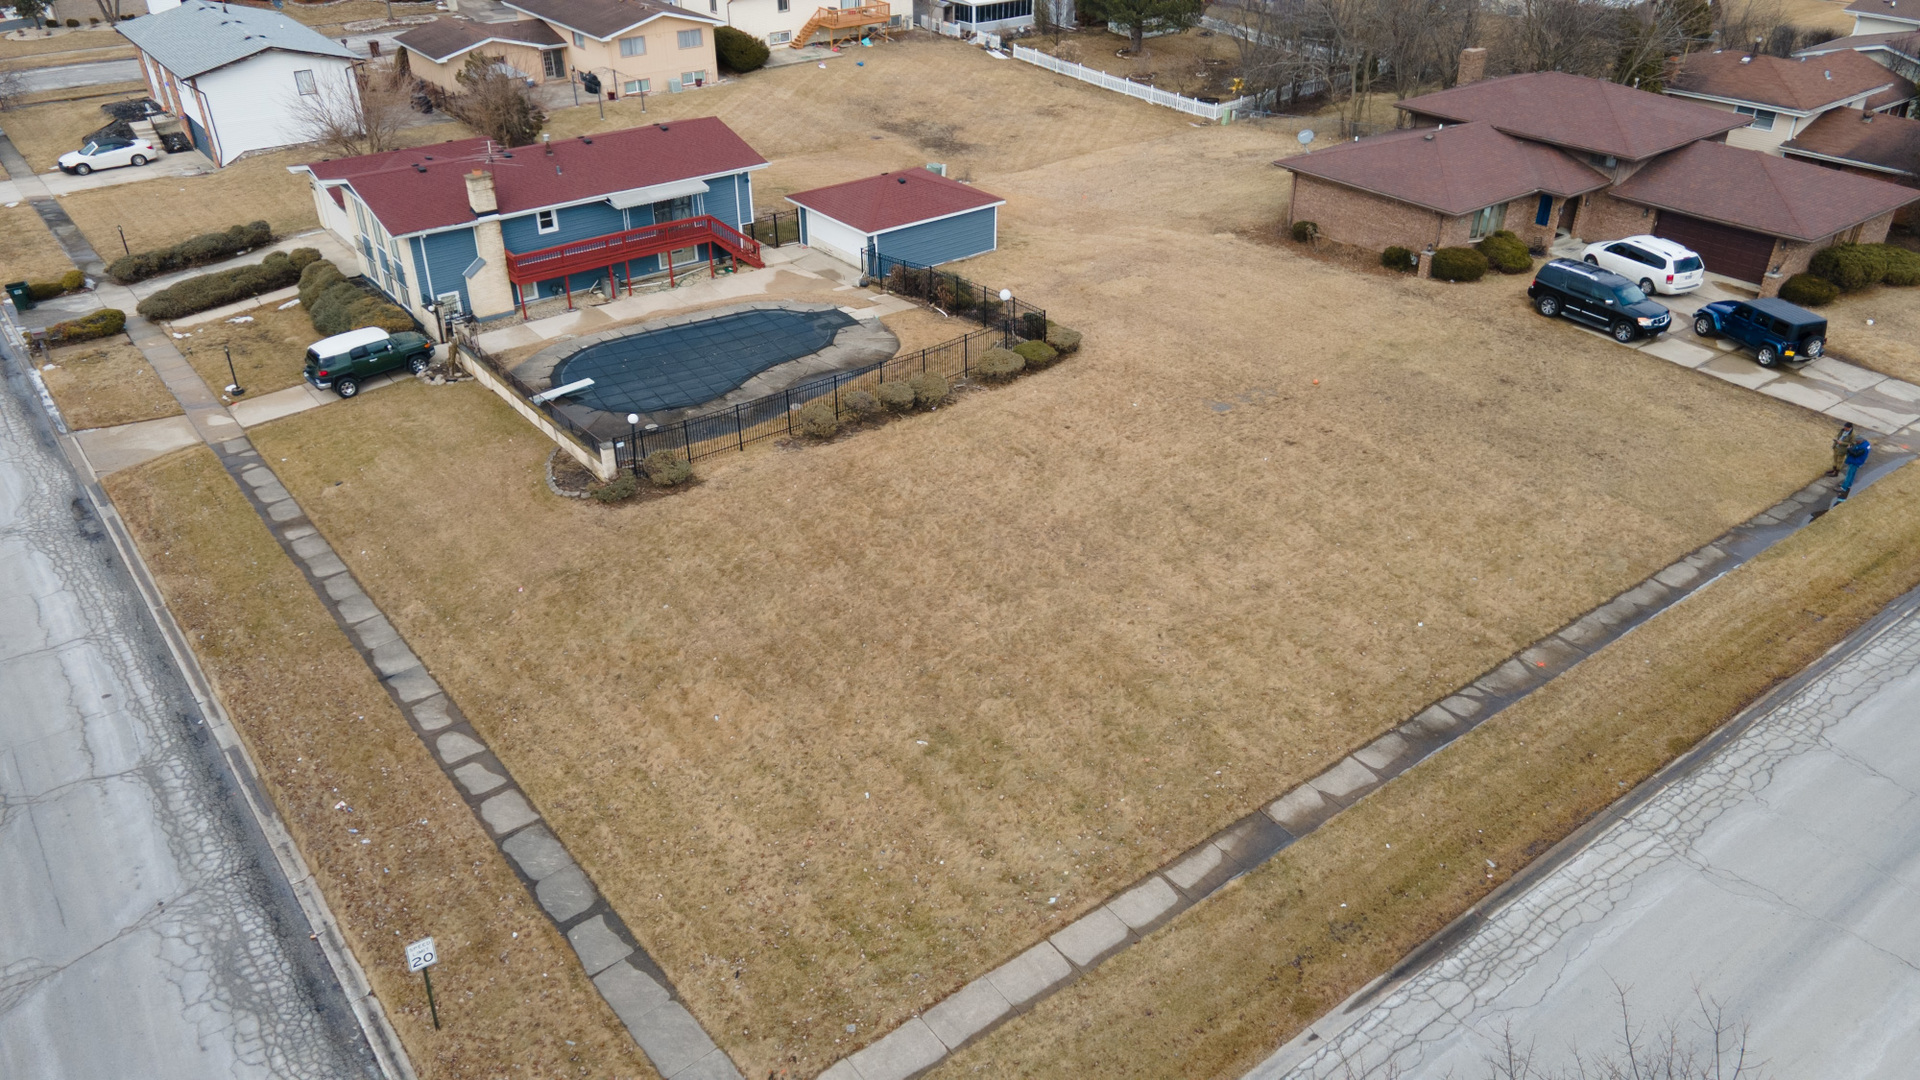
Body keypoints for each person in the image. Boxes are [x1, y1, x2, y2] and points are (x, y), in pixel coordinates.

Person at [1837, 434, 1873, 503]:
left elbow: (1855, 454)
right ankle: (1849, 485)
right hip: (1858, 461)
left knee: (1849, 474)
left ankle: (1844, 487)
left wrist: (1849, 449)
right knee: (1852, 474)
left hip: (1855, 462)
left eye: (1857, 441)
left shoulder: (1863, 447)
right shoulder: (1866, 443)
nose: (1856, 442)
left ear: (1860, 440)